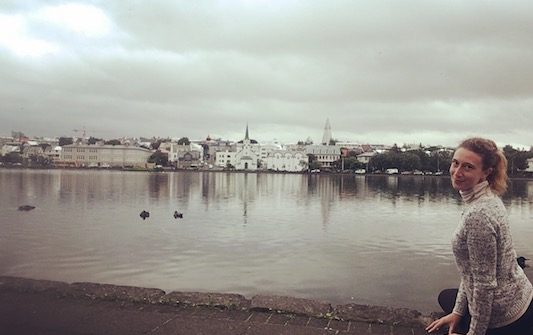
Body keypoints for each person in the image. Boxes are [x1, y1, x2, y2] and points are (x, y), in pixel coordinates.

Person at [426, 137, 533, 335]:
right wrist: (457, 313)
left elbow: (484, 285)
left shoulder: (478, 215)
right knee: (447, 298)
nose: (457, 173)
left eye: (468, 167)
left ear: (486, 172)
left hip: (503, 314)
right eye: (455, 163)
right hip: (520, 296)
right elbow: (471, 272)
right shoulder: (488, 198)